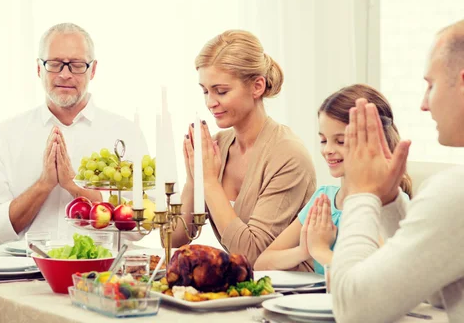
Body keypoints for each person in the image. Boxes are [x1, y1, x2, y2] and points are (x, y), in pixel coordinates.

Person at [332, 19, 464, 322]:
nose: (423, 104)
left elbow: (354, 309)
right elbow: (434, 289)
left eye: (431, 85)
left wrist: (362, 193)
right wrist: (390, 201)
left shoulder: (457, 189)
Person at [0, 23, 148, 246]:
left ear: (93, 70)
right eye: (54, 64)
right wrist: (44, 184)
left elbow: (140, 227)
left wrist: (74, 186)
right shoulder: (4, 136)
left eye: (77, 65)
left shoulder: (125, 133)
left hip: (104, 275)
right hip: (25, 275)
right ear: (38, 68)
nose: (65, 74)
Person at [171, 29, 317, 265]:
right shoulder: (217, 146)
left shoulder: (288, 156)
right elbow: (174, 239)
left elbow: (253, 256)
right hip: (242, 291)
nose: (210, 102)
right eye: (205, 91)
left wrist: (209, 182)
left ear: (257, 86)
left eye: (221, 91)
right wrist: (193, 180)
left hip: (291, 294)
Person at [254, 84, 412, 274]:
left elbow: (370, 277)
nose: (328, 149)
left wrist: (320, 250)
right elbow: (262, 263)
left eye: (341, 141)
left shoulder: (386, 207)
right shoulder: (324, 199)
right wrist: (303, 251)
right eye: (323, 140)